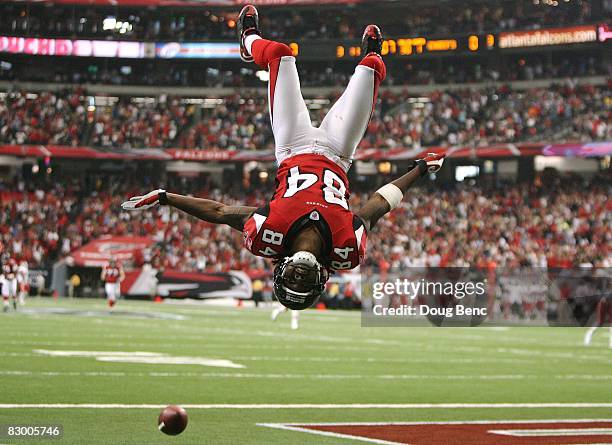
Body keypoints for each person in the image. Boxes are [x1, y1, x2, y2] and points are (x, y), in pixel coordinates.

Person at [122, 5, 445, 311]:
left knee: (280, 55)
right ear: (322, 278)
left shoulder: (269, 235)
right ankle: (371, 53)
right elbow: (377, 205)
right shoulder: (345, 249)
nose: (300, 276)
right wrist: (419, 170)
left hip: (293, 146)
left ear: (280, 271)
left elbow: (220, 212)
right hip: (338, 153)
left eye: (293, 281)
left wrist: (166, 197)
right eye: (306, 283)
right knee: (373, 66)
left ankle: (249, 39)